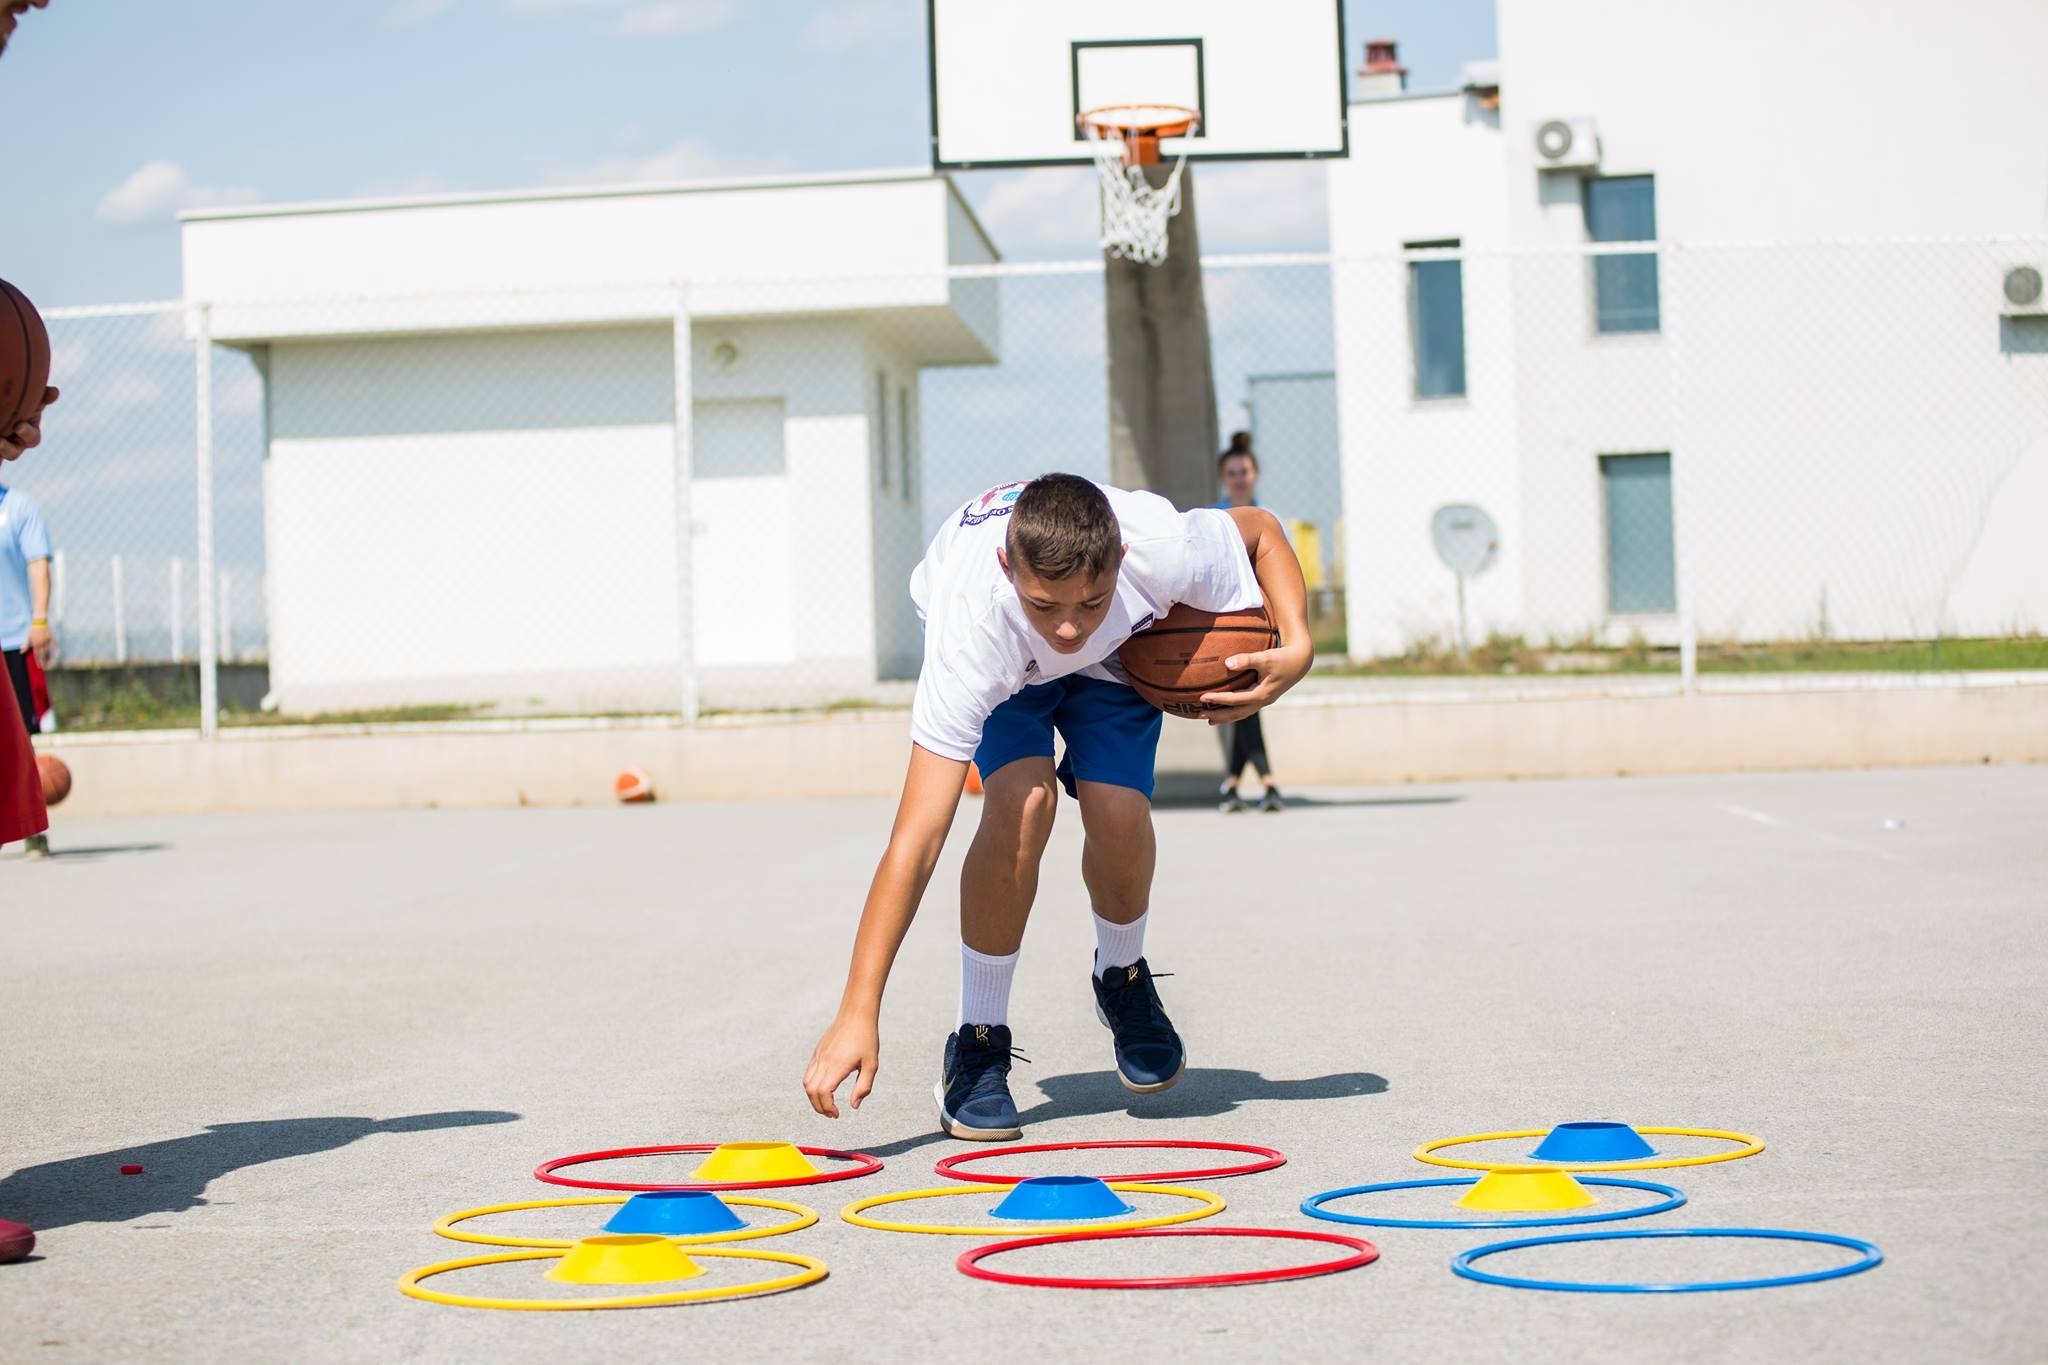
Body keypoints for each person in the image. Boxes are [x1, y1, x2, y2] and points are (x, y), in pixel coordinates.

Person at [801, 474, 1311, 1139]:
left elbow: (1263, 530)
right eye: (1047, 605)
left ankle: (1121, 975)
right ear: (1008, 567)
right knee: (1022, 802)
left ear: (1122, 560)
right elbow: (916, 840)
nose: (1068, 626)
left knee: (1118, 808)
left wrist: (1297, 647)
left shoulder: (1160, 546)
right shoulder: (972, 633)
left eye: (1090, 602)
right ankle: (978, 1041)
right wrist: (857, 1007)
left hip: (1116, 660)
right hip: (1008, 665)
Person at [1214, 432, 1285, 813]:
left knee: (1248, 703)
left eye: (1244, 471)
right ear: (1224, 478)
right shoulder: (1213, 519)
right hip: (1226, 626)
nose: (1239, 477)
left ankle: (1233, 784)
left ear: (1254, 474)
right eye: (1232, 472)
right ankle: (1264, 782)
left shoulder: (1271, 520)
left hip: (1262, 624)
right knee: (1247, 702)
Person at [1, 471, 55, 860]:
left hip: (13, 640)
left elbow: (39, 564)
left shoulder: (19, 507)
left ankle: (33, 830)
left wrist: (39, 620)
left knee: (22, 739)